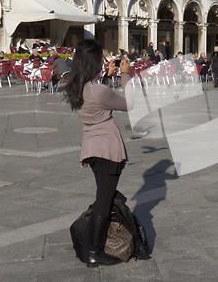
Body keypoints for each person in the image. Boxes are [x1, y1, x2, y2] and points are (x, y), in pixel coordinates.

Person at [64, 39, 133, 267]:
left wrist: (106, 77)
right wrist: (125, 75)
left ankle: (94, 247)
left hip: (92, 147)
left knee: (103, 196)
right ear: (93, 61)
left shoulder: (78, 86)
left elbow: (97, 98)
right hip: (107, 148)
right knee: (104, 201)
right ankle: (93, 252)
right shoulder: (98, 91)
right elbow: (129, 104)